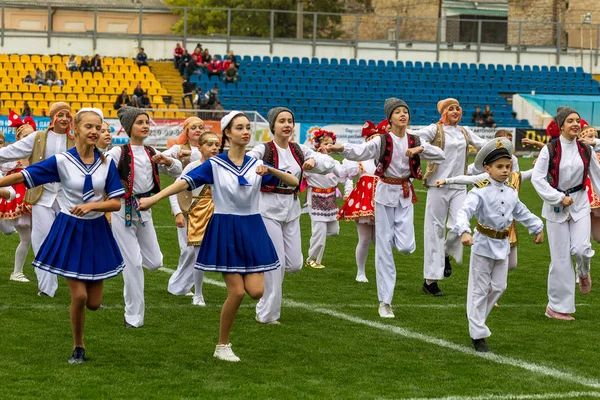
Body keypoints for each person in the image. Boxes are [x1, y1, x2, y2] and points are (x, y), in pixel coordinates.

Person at [138, 111, 299, 362]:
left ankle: (239, 323)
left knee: (256, 292)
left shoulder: (255, 163)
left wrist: (271, 170)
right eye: (239, 128)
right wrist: (154, 198)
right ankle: (222, 345)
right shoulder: (215, 164)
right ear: (228, 133)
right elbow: (183, 183)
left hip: (253, 228)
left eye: (248, 128)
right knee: (236, 293)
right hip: (226, 228)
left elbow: (293, 181)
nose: (245, 132)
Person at [0, 108, 126, 364]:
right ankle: (78, 346)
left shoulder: (106, 163)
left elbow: (115, 203)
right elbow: (25, 176)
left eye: (98, 127)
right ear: (76, 129)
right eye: (88, 127)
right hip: (70, 231)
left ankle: (80, 337)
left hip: (97, 232)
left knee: (93, 303)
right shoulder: (62, 161)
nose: (94, 132)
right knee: (78, 296)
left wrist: (93, 206)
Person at [322, 98, 445, 318]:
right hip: (385, 193)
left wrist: (420, 149)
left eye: (405, 111)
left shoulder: (414, 139)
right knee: (384, 250)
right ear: (390, 118)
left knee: (407, 247)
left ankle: (391, 240)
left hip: (405, 195)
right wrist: (339, 147)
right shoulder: (382, 140)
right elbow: (360, 152)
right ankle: (385, 302)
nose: (402, 115)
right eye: (397, 112)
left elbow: (440, 155)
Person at [452, 137, 543, 352]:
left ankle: (476, 315)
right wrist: (464, 231)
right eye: (499, 167)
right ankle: (478, 336)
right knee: (480, 289)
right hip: (482, 243)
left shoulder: (511, 191)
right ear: (487, 168)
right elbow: (464, 211)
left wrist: (537, 226)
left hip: (503, 245)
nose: (505, 171)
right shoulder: (480, 190)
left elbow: (521, 211)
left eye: (508, 166)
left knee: (500, 287)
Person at [247, 107, 334, 325]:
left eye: (290, 121)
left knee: (294, 263)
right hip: (267, 208)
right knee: (276, 264)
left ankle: (259, 268)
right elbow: (249, 160)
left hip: (292, 208)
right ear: (272, 126)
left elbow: (329, 163)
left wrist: (315, 162)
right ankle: (267, 314)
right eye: (281, 121)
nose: (287, 125)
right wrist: (260, 167)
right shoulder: (264, 148)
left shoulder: (299, 149)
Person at [108, 106, 182, 329]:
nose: (145, 126)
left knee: (155, 261)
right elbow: (101, 174)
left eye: (147, 122)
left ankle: (123, 256)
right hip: (122, 209)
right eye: (140, 122)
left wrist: (167, 161)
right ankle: (133, 316)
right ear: (129, 127)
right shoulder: (118, 152)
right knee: (134, 265)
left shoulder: (152, 152)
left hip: (144, 208)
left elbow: (178, 171)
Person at [411, 98, 486, 296]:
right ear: (443, 112)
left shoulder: (465, 131)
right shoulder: (434, 129)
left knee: (459, 225)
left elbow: (483, 145)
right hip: (438, 185)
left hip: (459, 185)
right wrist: (425, 149)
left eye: (458, 108)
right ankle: (430, 282)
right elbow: (415, 138)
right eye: (450, 108)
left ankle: (445, 253)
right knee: (433, 231)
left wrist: (501, 148)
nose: (455, 111)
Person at [0, 102, 75, 297]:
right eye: (60, 114)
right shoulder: (38, 137)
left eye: (67, 114)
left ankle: (80, 283)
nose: (64, 118)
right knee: (41, 240)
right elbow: (10, 153)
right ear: (52, 117)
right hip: (42, 196)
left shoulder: (76, 138)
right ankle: (46, 288)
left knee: (72, 240)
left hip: (69, 198)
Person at [532, 106, 600, 320]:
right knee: (560, 258)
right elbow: (537, 178)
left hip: (580, 203)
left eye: (577, 121)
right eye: (570, 121)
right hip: (555, 206)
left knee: (581, 248)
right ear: (561, 125)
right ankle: (556, 308)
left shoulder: (585, 150)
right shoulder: (550, 149)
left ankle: (583, 272)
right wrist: (557, 197)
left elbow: (597, 177)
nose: (575, 124)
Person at [167, 129, 220, 305]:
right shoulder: (193, 166)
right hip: (195, 213)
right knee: (193, 253)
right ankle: (196, 293)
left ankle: (179, 285)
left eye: (216, 145)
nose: (214, 148)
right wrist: (178, 213)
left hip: (218, 213)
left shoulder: (221, 166)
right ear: (200, 147)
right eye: (209, 144)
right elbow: (175, 191)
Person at [337, 120, 385, 282]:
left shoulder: (385, 159)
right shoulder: (359, 159)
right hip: (363, 200)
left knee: (380, 240)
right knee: (364, 239)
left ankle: (382, 272)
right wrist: (348, 192)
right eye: (372, 139)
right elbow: (348, 177)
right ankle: (361, 272)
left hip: (381, 199)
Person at [2, 113, 36, 282]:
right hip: (21, 201)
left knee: (38, 237)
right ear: (18, 139)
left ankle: (43, 271)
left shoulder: (37, 157)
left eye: (32, 135)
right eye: (26, 136)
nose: (30, 139)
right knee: (27, 238)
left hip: (36, 199)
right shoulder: (12, 158)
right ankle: (17, 272)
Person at [304, 130, 343, 269]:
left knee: (334, 231)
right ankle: (312, 260)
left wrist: (349, 192)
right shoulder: (312, 160)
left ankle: (317, 235)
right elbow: (303, 172)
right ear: (318, 145)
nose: (329, 146)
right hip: (316, 198)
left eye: (331, 144)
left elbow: (344, 175)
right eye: (326, 143)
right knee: (319, 232)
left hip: (330, 199)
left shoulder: (334, 163)